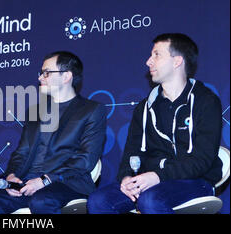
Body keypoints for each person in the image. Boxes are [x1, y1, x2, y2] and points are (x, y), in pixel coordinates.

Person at [87, 33, 223, 214]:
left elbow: (202, 160)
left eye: (157, 55)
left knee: (150, 200)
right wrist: (127, 177)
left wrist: (158, 176)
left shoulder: (205, 101)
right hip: (149, 181)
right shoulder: (144, 107)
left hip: (196, 180)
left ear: (177, 61)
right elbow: (131, 152)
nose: (148, 61)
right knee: (98, 201)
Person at [0, 51, 107, 214]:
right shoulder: (35, 112)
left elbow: (85, 159)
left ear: (66, 77)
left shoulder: (91, 110)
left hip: (66, 183)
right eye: (41, 73)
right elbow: (21, 153)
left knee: (41, 201)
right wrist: (11, 176)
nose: (40, 78)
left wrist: (45, 180)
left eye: (47, 73)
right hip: (27, 183)